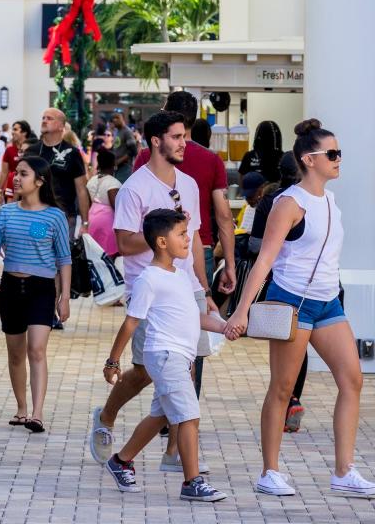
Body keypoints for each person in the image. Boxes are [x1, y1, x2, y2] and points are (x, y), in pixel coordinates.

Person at [225, 119, 375, 498]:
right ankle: (269, 471)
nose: (339, 159)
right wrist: (242, 310)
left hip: (327, 303)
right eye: (332, 154)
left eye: (339, 152)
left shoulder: (330, 200)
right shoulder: (289, 203)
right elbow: (264, 261)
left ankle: (344, 471)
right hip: (292, 301)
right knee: (283, 388)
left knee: (352, 379)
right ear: (309, 159)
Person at [89, 111, 220, 473]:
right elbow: (124, 243)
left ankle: (175, 456)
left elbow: (193, 239)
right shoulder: (135, 187)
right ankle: (107, 414)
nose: (183, 143)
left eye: (185, 136)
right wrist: (160, 242)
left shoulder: (190, 185)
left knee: (187, 370)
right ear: (156, 141)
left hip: (187, 287)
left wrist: (203, 287)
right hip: (149, 290)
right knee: (147, 371)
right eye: (177, 137)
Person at [102, 209, 228, 502]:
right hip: (165, 355)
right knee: (188, 416)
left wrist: (225, 326)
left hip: (179, 358)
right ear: (161, 241)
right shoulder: (149, 279)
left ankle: (121, 462)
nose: (188, 239)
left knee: (160, 416)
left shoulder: (180, 276)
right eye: (182, 234)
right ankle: (192, 482)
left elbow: (196, 318)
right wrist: (113, 361)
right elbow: (131, 321)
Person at [133, 91, 238, 392]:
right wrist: (228, 263)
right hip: (198, 250)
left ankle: (173, 407)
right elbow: (223, 216)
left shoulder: (146, 156)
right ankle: (185, 404)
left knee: (159, 330)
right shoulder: (210, 159)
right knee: (191, 334)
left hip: (158, 257)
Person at [0, 155, 71, 433]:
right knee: (16, 353)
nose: (16, 178)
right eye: (16, 173)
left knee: (37, 349)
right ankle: (21, 408)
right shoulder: (7, 212)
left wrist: (64, 295)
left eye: (24, 174)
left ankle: (37, 412)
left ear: (40, 181)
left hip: (41, 289)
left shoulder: (55, 216)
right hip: (10, 288)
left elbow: (64, 259)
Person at [247, 152, 314, 432]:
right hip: (311, 286)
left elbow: (255, 246)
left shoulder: (271, 201)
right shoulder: (314, 202)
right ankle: (293, 397)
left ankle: (286, 400)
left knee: (284, 342)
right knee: (300, 343)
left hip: (276, 283)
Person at [27, 108, 91, 235]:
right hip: (37, 216)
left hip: (64, 217)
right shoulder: (32, 151)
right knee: (40, 252)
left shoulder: (72, 153)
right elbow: (21, 184)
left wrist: (85, 223)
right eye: (43, 118)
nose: (44, 121)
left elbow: (81, 189)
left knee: (62, 254)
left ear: (61, 126)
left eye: (49, 118)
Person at [87, 149, 123, 257]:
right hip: (107, 222)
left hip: (92, 218)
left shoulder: (91, 180)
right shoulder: (113, 182)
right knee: (110, 253)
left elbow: (88, 202)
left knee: (95, 251)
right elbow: (116, 206)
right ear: (113, 164)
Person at [0, 120, 32, 190]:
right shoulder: (9, 150)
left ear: (24, 132)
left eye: (15, 129)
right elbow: (4, 172)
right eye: (12, 129)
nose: (12, 132)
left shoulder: (33, 149)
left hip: (28, 188)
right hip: (12, 187)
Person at [110, 113, 138, 183]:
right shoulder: (117, 131)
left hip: (126, 167)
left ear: (123, 119)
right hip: (118, 167)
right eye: (113, 118)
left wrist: (119, 161)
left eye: (117, 118)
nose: (115, 120)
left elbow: (133, 151)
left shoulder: (127, 131)